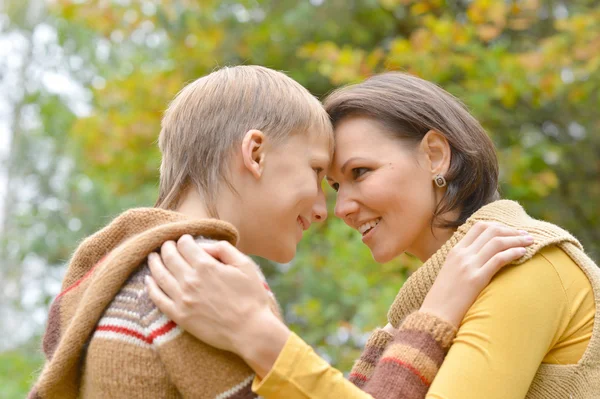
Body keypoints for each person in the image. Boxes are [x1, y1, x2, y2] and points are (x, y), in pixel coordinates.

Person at [29, 65, 528, 399]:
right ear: (256, 154)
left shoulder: (119, 270)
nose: (323, 208)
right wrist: (436, 317)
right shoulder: (202, 278)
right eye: (318, 175)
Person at [147, 72, 600, 399]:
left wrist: (260, 337)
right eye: (335, 186)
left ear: (435, 155)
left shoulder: (524, 261)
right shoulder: (425, 306)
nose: (340, 208)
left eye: (360, 172)